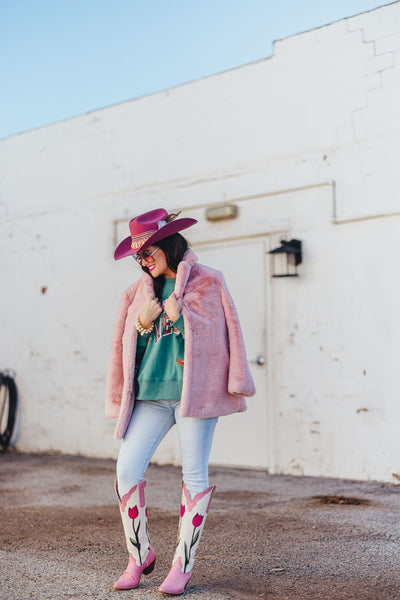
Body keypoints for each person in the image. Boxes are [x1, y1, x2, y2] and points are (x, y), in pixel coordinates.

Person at [105, 208, 255, 595]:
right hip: (150, 397)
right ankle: (140, 556)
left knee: (194, 477)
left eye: (147, 252)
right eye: (138, 256)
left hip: (195, 396)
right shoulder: (136, 293)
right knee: (126, 471)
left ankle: (182, 565)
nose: (142, 261)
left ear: (167, 244)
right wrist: (142, 323)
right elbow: (124, 347)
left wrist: (181, 314)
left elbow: (222, 337)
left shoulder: (208, 281)